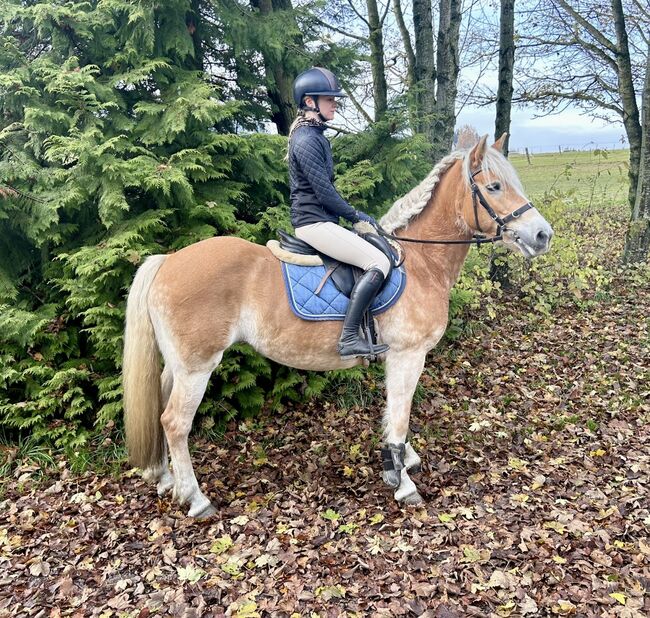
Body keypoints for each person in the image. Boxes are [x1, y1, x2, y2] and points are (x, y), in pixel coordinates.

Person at [288, 67, 391, 359]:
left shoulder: (314, 135)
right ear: (310, 102)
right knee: (378, 261)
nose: (335, 104)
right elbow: (324, 193)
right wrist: (356, 216)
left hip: (320, 221)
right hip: (313, 224)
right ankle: (348, 339)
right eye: (329, 99)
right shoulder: (307, 139)